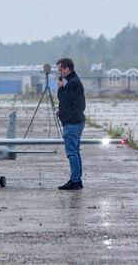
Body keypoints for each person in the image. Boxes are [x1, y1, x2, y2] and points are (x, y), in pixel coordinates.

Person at [56, 58, 86, 190]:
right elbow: (71, 103)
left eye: (60, 69)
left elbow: (64, 100)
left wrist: (60, 88)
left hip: (72, 124)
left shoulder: (72, 83)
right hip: (77, 121)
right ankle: (76, 180)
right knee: (75, 152)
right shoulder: (75, 81)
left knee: (72, 153)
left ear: (67, 68)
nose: (60, 72)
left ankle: (75, 181)